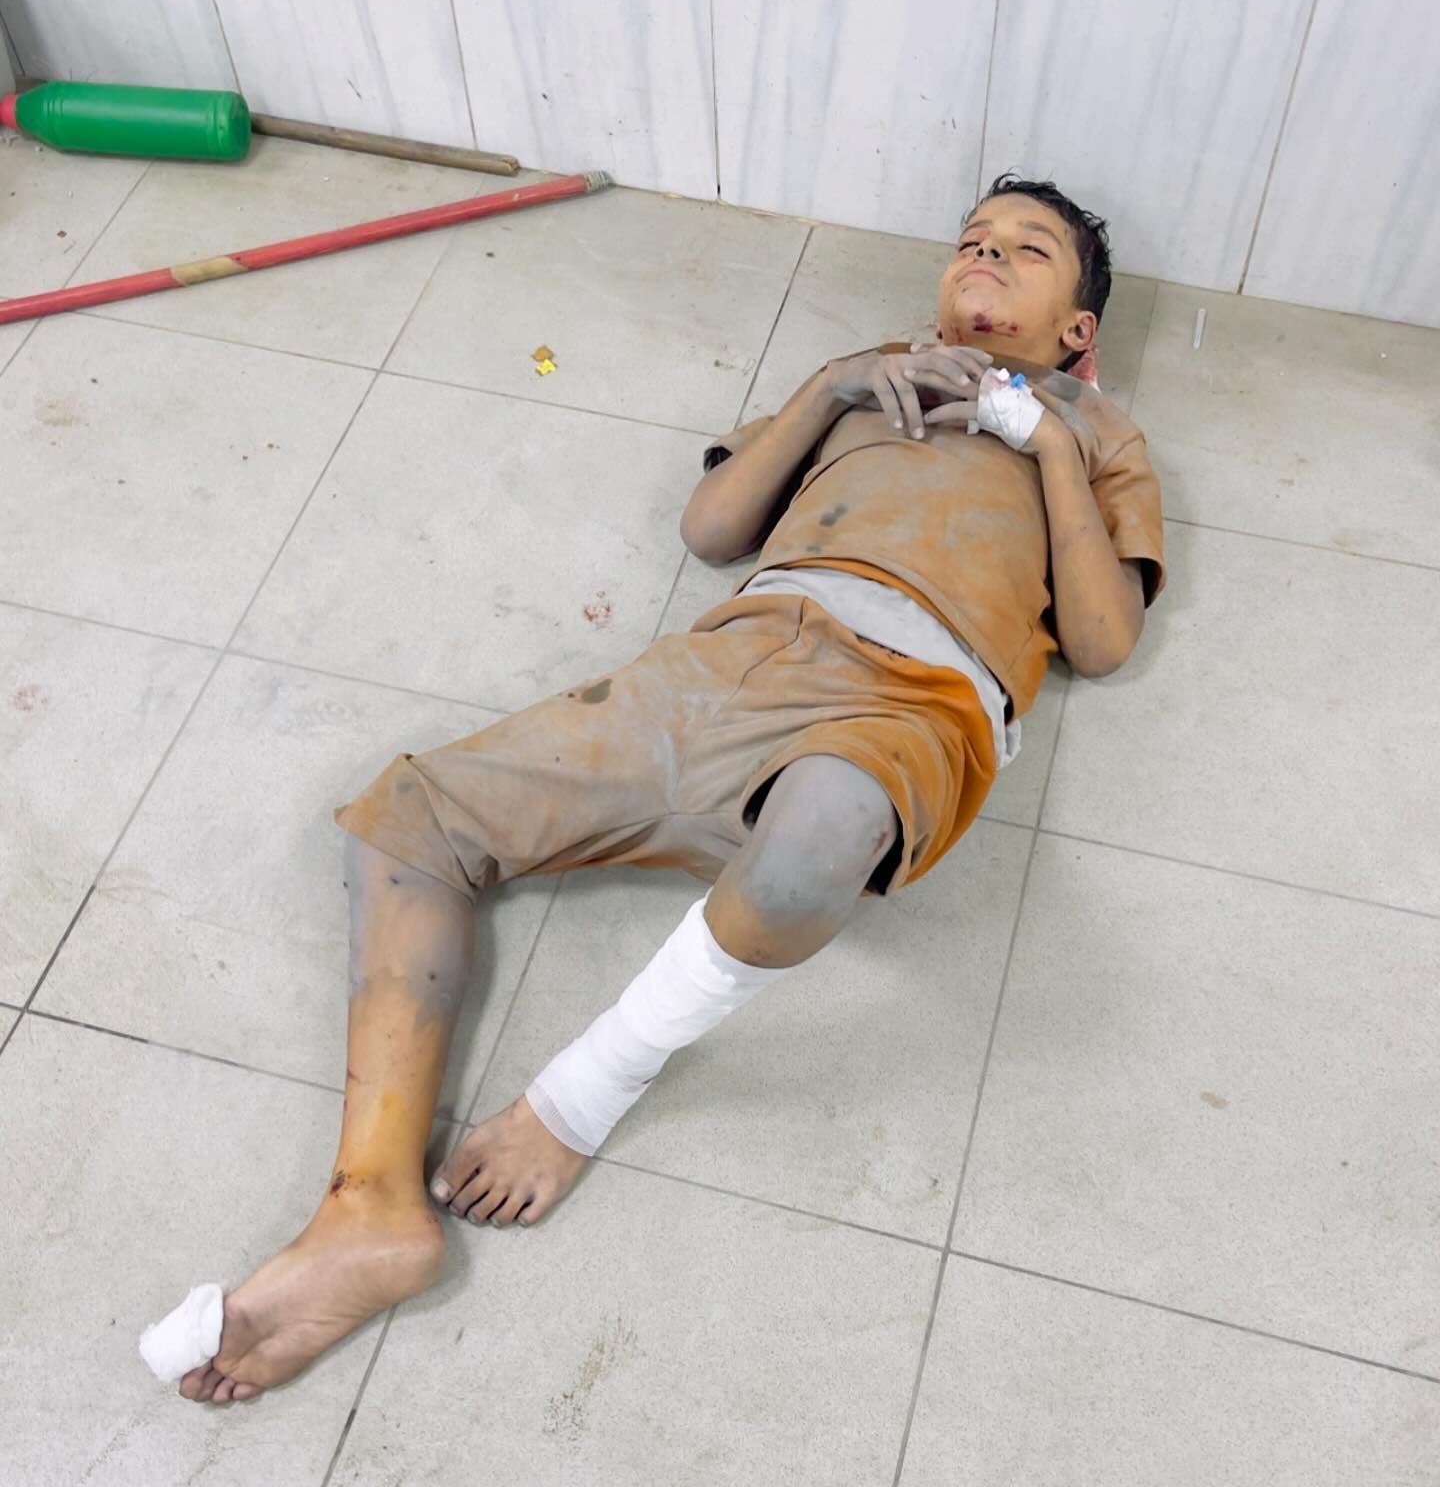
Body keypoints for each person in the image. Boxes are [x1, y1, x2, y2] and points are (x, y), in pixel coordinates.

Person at [177, 174, 1164, 1403]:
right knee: (404, 821)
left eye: (1026, 250)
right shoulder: (867, 376)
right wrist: (839, 388)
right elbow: (711, 530)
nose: (987, 255)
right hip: (731, 661)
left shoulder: (1097, 430)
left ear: (1079, 328)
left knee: (821, 834)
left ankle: (585, 1093)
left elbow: (1102, 640)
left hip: (910, 698)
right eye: (973, 238)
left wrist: (1046, 441)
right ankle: (368, 1205)